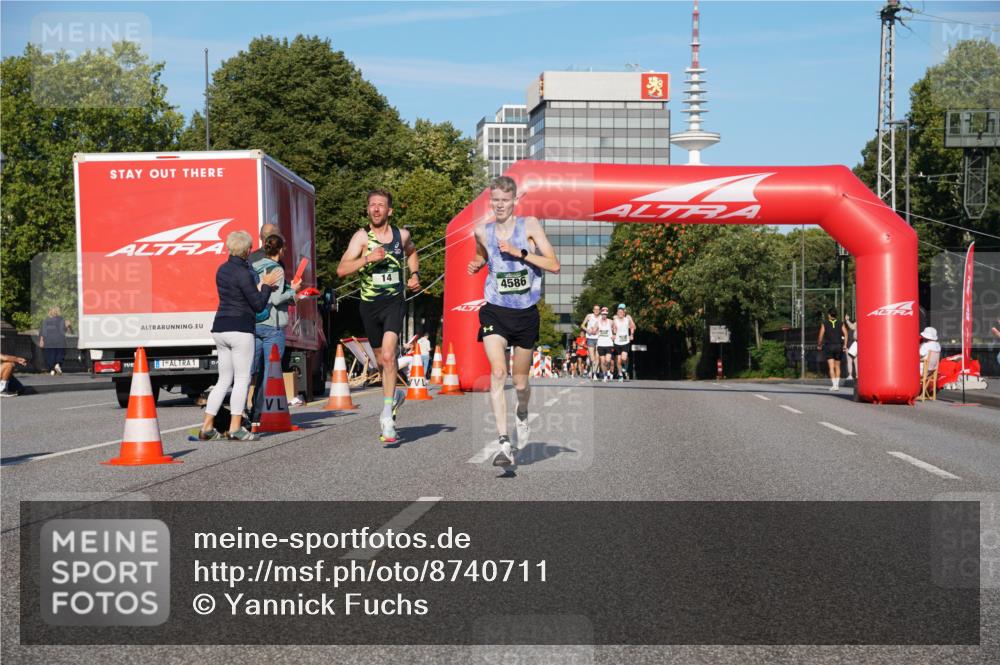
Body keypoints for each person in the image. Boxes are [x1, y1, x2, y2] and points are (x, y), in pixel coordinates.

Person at [467, 175, 560, 466]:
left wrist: (520, 252)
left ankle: (522, 413)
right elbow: (483, 256)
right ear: (490, 201)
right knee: (498, 373)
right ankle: (504, 443)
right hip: (495, 309)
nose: (500, 206)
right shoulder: (482, 231)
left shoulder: (529, 225)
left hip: (526, 314)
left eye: (505, 201)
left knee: (520, 383)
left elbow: (553, 265)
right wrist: (477, 263)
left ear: (515, 201)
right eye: (495, 201)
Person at [337, 189, 420, 443]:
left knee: (388, 354)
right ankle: (393, 396)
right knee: (382, 364)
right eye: (372, 205)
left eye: (380, 205)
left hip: (394, 302)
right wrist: (367, 258)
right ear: (367, 210)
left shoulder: (400, 235)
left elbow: (412, 252)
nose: (375, 209)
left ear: (389, 211)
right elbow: (341, 270)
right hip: (369, 305)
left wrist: (414, 275)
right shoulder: (362, 238)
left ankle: (386, 417)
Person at [199, 230, 282, 442]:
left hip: (220, 327)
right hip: (240, 328)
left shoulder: (222, 270)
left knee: (223, 379)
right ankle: (235, 427)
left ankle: (207, 426)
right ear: (246, 250)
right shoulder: (244, 273)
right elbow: (257, 304)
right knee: (242, 379)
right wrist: (266, 286)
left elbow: (237, 294)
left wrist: (259, 286)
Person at [249, 234, 302, 426]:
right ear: (281, 250)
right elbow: (276, 299)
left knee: (251, 370)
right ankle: (260, 414)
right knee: (269, 372)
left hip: (255, 324)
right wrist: (293, 290)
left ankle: (241, 411)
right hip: (273, 325)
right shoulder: (277, 269)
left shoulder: (254, 267)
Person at [817, 309, 848, 391]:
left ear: (829, 315)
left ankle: (834, 385)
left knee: (831, 367)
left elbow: (821, 335)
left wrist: (819, 345)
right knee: (837, 366)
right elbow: (846, 333)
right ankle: (837, 385)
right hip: (839, 346)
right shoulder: (841, 323)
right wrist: (844, 345)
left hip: (829, 346)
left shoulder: (825, 323)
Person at [39, 306, 71, 375]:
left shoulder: (45, 320)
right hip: (60, 340)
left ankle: (52, 369)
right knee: (60, 354)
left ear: (50, 312)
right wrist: (68, 326)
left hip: (48, 341)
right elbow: (65, 331)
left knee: (49, 355)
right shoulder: (61, 320)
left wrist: (41, 341)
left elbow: (43, 332)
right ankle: (57, 365)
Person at [612, 303, 635, 382]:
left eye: (622, 311)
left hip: (625, 341)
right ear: (617, 312)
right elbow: (613, 329)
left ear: (624, 312)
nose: (620, 313)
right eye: (619, 311)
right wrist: (613, 335)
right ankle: (620, 374)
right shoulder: (615, 319)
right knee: (618, 360)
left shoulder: (627, 318)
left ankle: (625, 366)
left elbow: (633, 327)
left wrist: (631, 334)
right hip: (617, 342)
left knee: (624, 358)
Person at [581, 305, 601, 380]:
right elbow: (582, 325)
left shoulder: (601, 317)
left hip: (599, 338)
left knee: (597, 357)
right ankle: (593, 371)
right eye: (595, 309)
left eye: (598, 309)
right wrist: (587, 330)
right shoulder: (589, 316)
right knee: (592, 358)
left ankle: (594, 373)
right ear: (593, 310)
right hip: (590, 338)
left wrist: (598, 330)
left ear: (599, 310)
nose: (596, 310)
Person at [596, 307, 615, 381]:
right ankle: (605, 375)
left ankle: (607, 371)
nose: (604, 315)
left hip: (609, 344)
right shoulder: (598, 322)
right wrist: (593, 331)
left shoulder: (611, 321)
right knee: (602, 361)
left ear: (607, 314)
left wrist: (614, 334)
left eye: (606, 314)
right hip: (600, 344)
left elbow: (615, 328)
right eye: (603, 314)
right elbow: (594, 329)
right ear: (601, 314)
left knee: (608, 360)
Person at [844, 314, 858, 381]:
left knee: (849, 361)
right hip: (857, 345)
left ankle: (850, 375)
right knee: (856, 361)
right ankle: (857, 375)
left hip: (851, 345)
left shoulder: (854, 325)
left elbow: (851, 326)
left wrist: (847, 320)